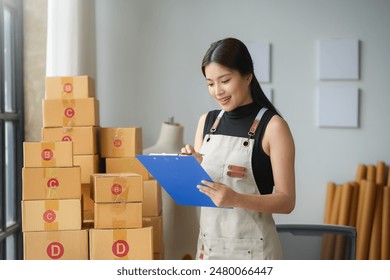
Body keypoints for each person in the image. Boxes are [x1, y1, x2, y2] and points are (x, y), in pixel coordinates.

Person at [181, 37, 296, 260]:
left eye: (225, 80)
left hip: (254, 254)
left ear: (248, 76)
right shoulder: (206, 122)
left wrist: (236, 199)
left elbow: (287, 201)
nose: (217, 91)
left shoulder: (273, 127)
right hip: (209, 249)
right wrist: (191, 168)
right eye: (210, 83)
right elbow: (202, 192)